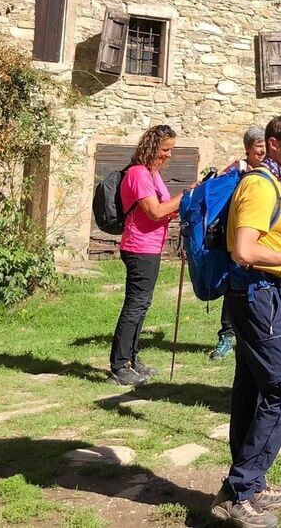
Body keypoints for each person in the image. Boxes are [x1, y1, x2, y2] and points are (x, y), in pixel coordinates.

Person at [212, 114, 281, 528]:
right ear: (273, 144)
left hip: (260, 294)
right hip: (258, 295)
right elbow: (244, 249)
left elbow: (265, 240)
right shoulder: (260, 185)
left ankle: (248, 485)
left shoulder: (274, 186)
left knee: (251, 390)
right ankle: (241, 488)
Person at [109, 124, 186, 386]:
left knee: (142, 305)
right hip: (138, 247)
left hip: (150, 246)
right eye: (166, 149)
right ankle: (119, 366)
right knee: (134, 306)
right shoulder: (139, 174)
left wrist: (180, 206)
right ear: (152, 147)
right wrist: (185, 195)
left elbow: (163, 210)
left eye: (171, 150)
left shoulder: (152, 174)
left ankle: (132, 359)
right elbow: (154, 211)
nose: (169, 155)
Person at [210, 127, 268, 361]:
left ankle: (256, 336)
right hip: (236, 239)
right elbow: (216, 194)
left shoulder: (270, 172)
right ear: (248, 148)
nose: (262, 150)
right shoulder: (237, 169)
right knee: (233, 289)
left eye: (265, 146)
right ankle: (226, 336)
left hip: (262, 240)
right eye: (258, 146)